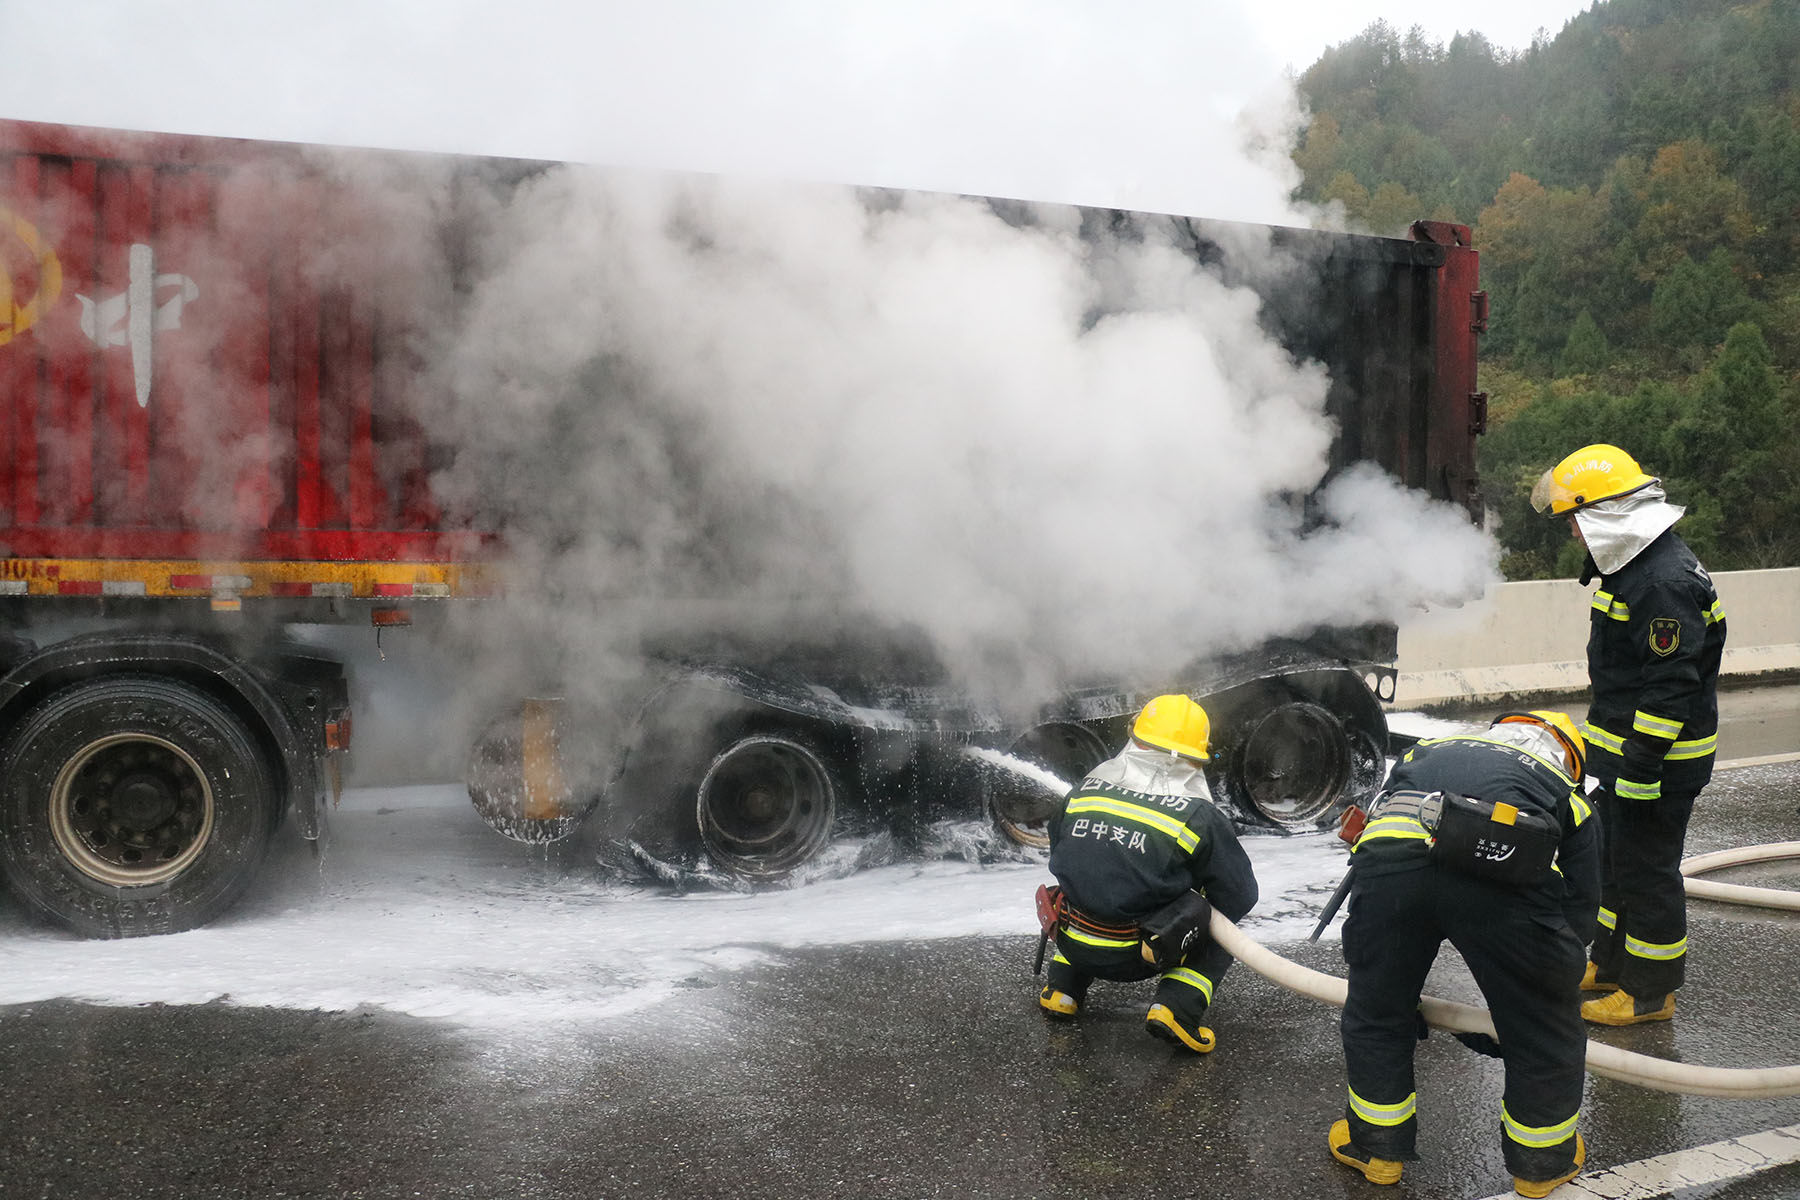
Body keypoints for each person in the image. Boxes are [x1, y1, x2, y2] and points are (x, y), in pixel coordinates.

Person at [1328, 711, 1599, 1198]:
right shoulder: (1563, 789)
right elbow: (1580, 907)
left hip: (1391, 866)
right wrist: (1537, 989)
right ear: (1568, 757)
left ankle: (1376, 1151)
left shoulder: (1428, 750)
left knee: (1377, 1009)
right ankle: (1542, 1166)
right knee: (1544, 1027)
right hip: (1502, 869)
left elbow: (1383, 810)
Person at [1532, 444, 1726, 1026]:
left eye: (1575, 518)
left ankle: (1650, 992)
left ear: (1606, 513)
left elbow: (1669, 688)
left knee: (1648, 875)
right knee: (1613, 866)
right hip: (1627, 760)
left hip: (1658, 765)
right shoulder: (1636, 568)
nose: (1571, 531)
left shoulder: (1661, 582)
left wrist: (1640, 765)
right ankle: (1611, 965)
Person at [1036, 693, 1258, 1053]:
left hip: (1070, 937)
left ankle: (1063, 989)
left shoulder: (1083, 791)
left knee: (1089, 884)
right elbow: (1240, 894)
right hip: (1140, 954)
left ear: (1134, 738)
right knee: (1217, 923)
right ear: (1194, 757)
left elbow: (1060, 847)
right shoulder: (1198, 816)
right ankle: (1177, 1008)